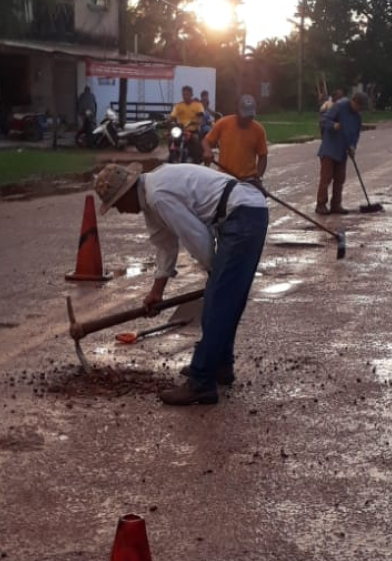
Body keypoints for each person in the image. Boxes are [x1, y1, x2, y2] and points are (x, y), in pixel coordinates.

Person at [95, 160, 269, 406]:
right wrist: (157, 292)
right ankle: (220, 365)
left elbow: (196, 236)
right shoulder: (152, 196)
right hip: (243, 212)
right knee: (224, 301)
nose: (119, 211)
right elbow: (165, 245)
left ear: (127, 193)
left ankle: (201, 382)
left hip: (243, 214)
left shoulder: (158, 197)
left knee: (218, 303)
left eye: (117, 204)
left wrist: (213, 272)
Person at [317, 89, 365, 214]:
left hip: (342, 150)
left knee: (340, 178)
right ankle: (321, 204)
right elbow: (324, 120)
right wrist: (334, 125)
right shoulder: (340, 106)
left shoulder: (357, 117)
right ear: (353, 101)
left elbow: (355, 134)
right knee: (326, 177)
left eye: (361, 108)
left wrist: (353, 146)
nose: (358, 109)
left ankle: (336, 205)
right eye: (358, 106)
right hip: (330, 148)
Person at [203, 94, 268, 182]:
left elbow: (263, 156)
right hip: (224, 177)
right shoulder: (223, 123)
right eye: (245, 116)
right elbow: (206, 141)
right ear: (237, 111)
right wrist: (207, 150)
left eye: (250, 116)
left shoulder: (258, 130)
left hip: (248, 179)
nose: (247, 120)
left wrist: (259, 177)